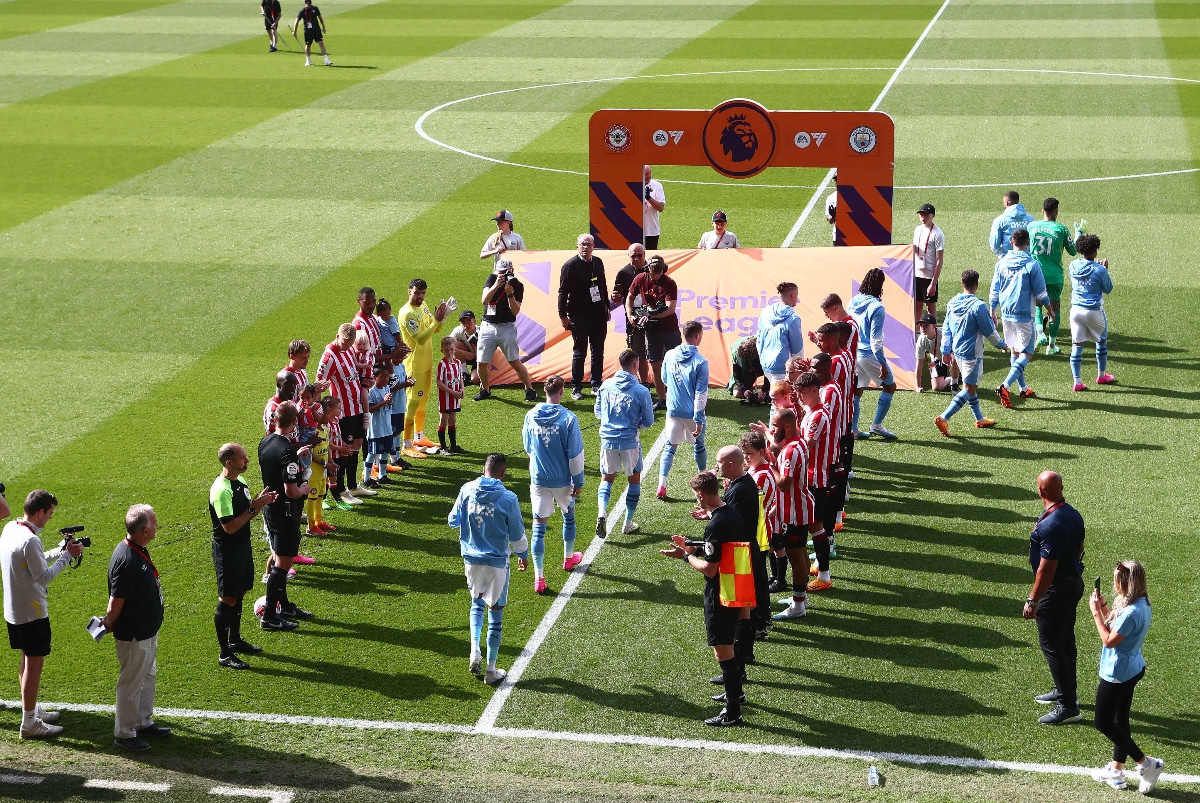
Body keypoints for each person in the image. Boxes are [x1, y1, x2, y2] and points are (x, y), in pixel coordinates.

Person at [660, 471, 751, 727]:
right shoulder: (730, 512)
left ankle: (733, 711)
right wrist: (692, 545)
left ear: (701, 494)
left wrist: (686, 556)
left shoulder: (715, 524)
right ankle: (737, 693)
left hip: (719, 591)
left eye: (695, 496)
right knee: (727, 645)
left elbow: (710, 568)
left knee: (722, 650)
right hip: (733, 585)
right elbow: (721, 548)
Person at [1, 490, 80, 740]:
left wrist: (58, 550)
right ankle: (29, 724)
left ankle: (32, 710)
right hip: (32, 613)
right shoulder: (31, 540)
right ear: (40, 512)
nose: (51, 519)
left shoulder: (11, 529)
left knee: (26, 661)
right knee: (33, 667)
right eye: (50, 514)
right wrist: (68, 555)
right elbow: (44, 576)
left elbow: (30, 564)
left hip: (14, 611)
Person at [448, 453, 529, 686]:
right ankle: (491, 671)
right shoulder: (508, 497)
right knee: (496, 614)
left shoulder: (466, 489)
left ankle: (475, 651)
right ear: (503, 473)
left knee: (476, 603)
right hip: (497, 563)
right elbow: (517, 534)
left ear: (483, 469)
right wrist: (523, 556)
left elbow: (453, 519)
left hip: (471, 559)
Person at [1088, 561, 1164, 793]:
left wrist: (1095, 614)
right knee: (1121, 719)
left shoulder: (1130, 612)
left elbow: (1109, 640)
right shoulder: (1142, 603)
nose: (1114, 585)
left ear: (1125, 584)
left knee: (1102, 721)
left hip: (1118, 673)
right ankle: (1116, 770)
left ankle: (1147, 764)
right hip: (1133, 668)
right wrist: (1104, 609)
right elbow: (1120, 627)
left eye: (1117, 581)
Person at [100, 504, 169, 752]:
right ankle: (125, 733)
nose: (157, 524)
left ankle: (142, 720)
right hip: (134, 635)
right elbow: (115, 601)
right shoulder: (127, 559)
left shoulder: (137, 549)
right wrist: (108, 622)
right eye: (154, 521)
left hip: (147, 630)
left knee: (147, 675)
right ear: (144, 530)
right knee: (131, 682)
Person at [1024, 470, 1086, 726]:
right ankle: (1065, 690)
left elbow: (1046, 568)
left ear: (1040, 491)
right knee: (1065, 641)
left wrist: (1033, 600)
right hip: (1072, 584)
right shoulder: (1071, 512)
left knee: (1053, 646)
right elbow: (1080, 546)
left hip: (1057, 590)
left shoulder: (1051, 524)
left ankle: (1068, 705)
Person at [209, 443, 276, 671]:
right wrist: (252, 509)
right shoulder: (221, 490)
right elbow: (228, 527)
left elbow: (246, 510)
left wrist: (260, 503)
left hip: (242, 547)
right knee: (227, 598)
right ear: (230, 463)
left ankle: (235, 640)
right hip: (227, 551)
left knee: (241, 591)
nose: (247, 461)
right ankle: (224, 652)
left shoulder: (241, 482)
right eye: (243, 458)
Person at [699, 446, 769, 661]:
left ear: (730, 464)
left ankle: (741, 656)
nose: (717, 466)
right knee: (744, 607)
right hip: (747, 550)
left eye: (719, 462)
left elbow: (731, 523)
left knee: (740, 608)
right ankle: (745, 653)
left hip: (741, 554)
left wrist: (713, 518)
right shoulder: (744, 483)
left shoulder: (739, 489)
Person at [522, 375, 586, 594]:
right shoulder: (568, 419)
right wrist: (579, 481)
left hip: (538, 479)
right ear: (562, 391)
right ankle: (568, 559)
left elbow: (528, 447)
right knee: (568, 517)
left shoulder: (531, 416)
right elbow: (575, 455)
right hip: (562, 481)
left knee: (538, 528)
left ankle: (539, 578)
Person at [258, 401, 313, 631]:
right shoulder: (287, 450)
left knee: (282, 560)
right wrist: (304, 490)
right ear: (294, 422)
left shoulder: (266, 441)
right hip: (285, 512)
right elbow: (291, 490)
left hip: (272, 509)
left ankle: (285, 605)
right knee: (282, 564)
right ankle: (270, 616)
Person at [935, 271, 1008, 436]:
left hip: (957, 352)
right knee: (969, 388)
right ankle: (943, 417)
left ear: (962, 283)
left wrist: (946, 351)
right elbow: (989, 331)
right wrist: (1002, 345)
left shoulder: (952, 302)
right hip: (972, 354)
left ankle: (980, 419)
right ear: (977, 284)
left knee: (971, 386)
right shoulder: (979, 306)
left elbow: (946, 328)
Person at [769, 408, 825, 620]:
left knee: (796, 557)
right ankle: (800, 599)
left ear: (787, 426)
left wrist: (772, 465)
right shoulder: (799, 442)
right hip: (798, 506)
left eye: (775, 426)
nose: (773, 430)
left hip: (794, 510)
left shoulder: (791, 451)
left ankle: (799, 604)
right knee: (800, 552)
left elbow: (783, 484)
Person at [594, 349, 654, 538]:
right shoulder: (641, 391)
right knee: (634, 480)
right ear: (635, 365)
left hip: (607, 440)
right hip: (630, 442)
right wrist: (636, 428)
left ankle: (602, 512)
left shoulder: (605, 385)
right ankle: (627, 523)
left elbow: (598, 412)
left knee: (607, 479)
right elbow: (649, 421)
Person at [990, 228, 1053, 407]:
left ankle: (1023, 388)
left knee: (1015, 351)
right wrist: (1050, 309)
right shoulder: (1032, 265)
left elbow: (994, 289)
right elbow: (1041, 293)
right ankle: (1005, 385)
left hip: (1006, 313)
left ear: (1011, 243)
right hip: (1025, 315)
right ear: (1028, 244)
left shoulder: (1001, 263)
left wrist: (993, 309)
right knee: (1027, 353)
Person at [316, 323, 368, 504]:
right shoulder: (328, 357)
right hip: (342, 412)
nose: (347, 347)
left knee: (357, 444)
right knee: (343, 450)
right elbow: (319, 385)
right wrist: (321, 416)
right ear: (338, 336)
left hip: (357, 408)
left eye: (350, 343)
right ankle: (341, 490)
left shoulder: (349, 350)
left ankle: (353, 485)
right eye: (345, 343)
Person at [656, 320, 708, 500]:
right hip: (691, 413)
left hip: (673, 410)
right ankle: (703, 480)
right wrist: (699, 418)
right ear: (698, 336)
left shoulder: (670, 355)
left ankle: (661, 485)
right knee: (699, 445)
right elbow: (701, 394)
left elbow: (664, 378)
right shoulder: (701, 362)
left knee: (669, 447)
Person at [474, 260, 538, 403]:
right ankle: (485, 389)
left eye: (507, 272)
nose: (504, 275)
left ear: (512, 270)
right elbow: (484, 300)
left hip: (507, 326)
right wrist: (497, 284)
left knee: (514, 361)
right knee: (482, 362)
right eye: (502, 272)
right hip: (488, 325)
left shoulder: (517, 285)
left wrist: (510, 294)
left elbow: (515, 311)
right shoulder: (491, 279)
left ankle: (529, 388)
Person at [795, 372, 836, 592]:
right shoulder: (811, 411)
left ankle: (824, 575)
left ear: (814, 390)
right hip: (809, 477)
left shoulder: (819, 415)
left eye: (802, 392)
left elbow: (806, 446)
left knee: (816, 527)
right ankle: (818, 570)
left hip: (815, 479)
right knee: (812, 526)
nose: (799, 396)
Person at [399, 278, 450, 451]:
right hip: (414, 366)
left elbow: (434, 330)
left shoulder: (423, 305)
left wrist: (441, 319)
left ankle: (419, 437)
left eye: (423, 293)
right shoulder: (407, 313)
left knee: (423, 401)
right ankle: (406, 444)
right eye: (417, 293)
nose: (420, 296)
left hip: (426, 362)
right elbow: (420, 339)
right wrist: (436, 321)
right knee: (412, 403)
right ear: (409, 291)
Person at [558, 234, 610, 400]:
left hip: (597, 314)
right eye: (582, 244)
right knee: (580, 351)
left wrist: (606, 307)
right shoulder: (570, 265)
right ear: (577, 246)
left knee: (598, 350)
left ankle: (596, 383)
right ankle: (576, 386)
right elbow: (562, 292)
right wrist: (563, 316)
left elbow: (603, 286)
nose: (586, 247)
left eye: (589, 244)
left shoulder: (598, 262)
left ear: (594, 246)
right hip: (578, 315)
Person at [848, 268, 897, 439]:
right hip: (868, 353)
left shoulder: (852, 301)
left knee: (858, 389)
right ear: (880, 285)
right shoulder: (877, 307)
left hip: (854, 353)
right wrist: (882, 363)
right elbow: (875, 341)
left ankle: (853, 429)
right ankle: (876, 425)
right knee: (890, 386)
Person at [625, 255, 680, 407]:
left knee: (675, 363)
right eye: (652, 273)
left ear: (663, 270)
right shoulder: (641, 278)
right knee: (655, 363)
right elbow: (629, 298)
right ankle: (662, 398)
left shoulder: (669, 283)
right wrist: (630, 314)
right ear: (647, 269)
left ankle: (675, 395)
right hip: (651, 330)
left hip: (669, 328)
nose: (655, 275)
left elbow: (670, 309)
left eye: (658, 273)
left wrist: (651, 315)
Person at [1028, 198, 1078, 354]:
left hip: (1036, 274)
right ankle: (1051, 346)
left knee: (1037, 304)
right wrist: (1079, 235)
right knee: (1055, 307)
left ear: (1043, 211)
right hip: (1055, 276)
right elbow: (1073, 251)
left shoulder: (1031, 226)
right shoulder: (1061, 229)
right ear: (1056, 211)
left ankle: (1040, 333)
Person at [1067, 234, 1116, 392]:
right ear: (1094, 251)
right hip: (1093, 311)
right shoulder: (1100, 270)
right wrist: (1105, 270)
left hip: (1075, 311)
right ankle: (1101, 375)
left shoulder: (1072, 265)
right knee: (1101, 342)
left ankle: (1077, 381)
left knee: (1077, 345)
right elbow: (1108, 289)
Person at [611, 243, 651, 385]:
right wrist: (614, 298)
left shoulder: (653, 270)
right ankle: (643, 383)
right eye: (633, 256)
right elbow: (617, 297)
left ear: (644, 254)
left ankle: (663, 384)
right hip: (633, 319)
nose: (636, 259)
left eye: (639, 255)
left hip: (654, 317)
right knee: (638, 353)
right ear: (628, 256)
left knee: (657, 353)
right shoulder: (623, 273)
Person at [756, 282, 805, 389]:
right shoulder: (793, 319)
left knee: (777, 397)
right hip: (784, 368)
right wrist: (799, 368)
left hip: (766, 364)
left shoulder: (765, 312)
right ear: (793, 296)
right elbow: (797, 348)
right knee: (784, 401)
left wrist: (762, 359)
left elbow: (758, 340)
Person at [363, 364, 395, 485]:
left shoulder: (387, 389)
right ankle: (366, 478)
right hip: (375, 429)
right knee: (372, 453)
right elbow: (370, 409)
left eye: (387, 376)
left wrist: (389, 402)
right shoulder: (371, 391)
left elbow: (388, 406)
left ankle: (382, 475)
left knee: (385, 452)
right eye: (382, 376)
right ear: (375, 377)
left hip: (386, 427)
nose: (386, 378)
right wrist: (384, 402)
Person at [913, 203, 945, 323]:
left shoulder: (938, 234)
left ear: (932, 216)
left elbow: (939, 261)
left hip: (929, 276)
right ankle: (916, 333)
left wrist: (933, 283)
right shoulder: (917, 230)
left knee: (930, 306)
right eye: (921, 214)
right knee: (917, 305)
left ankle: (933, 333)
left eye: (926, 215)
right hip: (917, 274)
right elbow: (915, 250)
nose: (923, 217)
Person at [435, 336, 465, 455]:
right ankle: (443, 447)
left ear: (455, 349)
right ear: (442, 350)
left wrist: (462, 389)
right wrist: (453, 392)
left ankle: (453, 446)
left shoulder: (457, 362)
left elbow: (460, 378)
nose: (449, 352)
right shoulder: (442, 364)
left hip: (455, 397)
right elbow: (439, 382)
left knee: (453, 420)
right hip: (445, 398)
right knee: (444, 420)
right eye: (447, 350)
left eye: (451, 349)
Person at [915, 313, 953, 393]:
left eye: (926, 326)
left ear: (934, 326)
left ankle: (957, 377)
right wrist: (918, 386)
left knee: (954, 358)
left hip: (951, 356)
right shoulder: (921, 340)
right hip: (937, 359)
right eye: (921, 326)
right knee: (937, 387)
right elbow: (919, 364)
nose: (923, 328)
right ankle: (951, 378)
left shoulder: (944, 334)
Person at [989, 190, 1033, 257]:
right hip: (1027, 258)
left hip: (1007, 259)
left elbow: (994, 244)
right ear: (1018, 202)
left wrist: (1001, 254)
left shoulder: (1000, 220)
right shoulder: (1030, 219)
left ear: (1006, 203)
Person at [727, 336, 765, 405]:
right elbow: (737, 375)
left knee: (775, 392)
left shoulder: (766, 349)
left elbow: (770, 373)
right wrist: (744, 390)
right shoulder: (737, 353)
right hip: (746, 368)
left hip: (762, 361)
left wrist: (764, 391)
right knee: (737, 393)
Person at [291, 0, 330, 66]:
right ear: (305, 3)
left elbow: (320, 18)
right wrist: (295, 31)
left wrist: (323, 27)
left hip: (316, 29)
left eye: (309, 4)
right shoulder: (302, 11)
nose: (308, 5)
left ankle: (326, 60)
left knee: (321, 43)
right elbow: (297, 20)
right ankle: (308, 60)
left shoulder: (315, 8)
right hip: (308, 31)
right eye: (307, 4)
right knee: (308, 45)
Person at [263, 369, 298, 434]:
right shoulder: (273, 409)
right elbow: (274, 440)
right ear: (279, 386)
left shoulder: (290, 402)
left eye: (294, 384)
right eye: (288, 384)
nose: (293, 388)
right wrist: (306, 443)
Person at [451, 310, 480, 385]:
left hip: (482, 360)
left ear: (475, 321)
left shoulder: (482, 332)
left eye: (469, 321)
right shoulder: (458, 331)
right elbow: (446, 346)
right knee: (456, 344)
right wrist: (465, 353)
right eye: (463, 322)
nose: (466, 325)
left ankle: (473, 373)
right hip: (469, 356)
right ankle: (464, 373)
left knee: (475, 379)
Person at [642, 165, 666, 249]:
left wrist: (648, 198)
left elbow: (661, 208)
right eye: (645, 174)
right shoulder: (633, 185)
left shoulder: (657, 186)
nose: (648, 176)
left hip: (652, 231)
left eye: (649, 173)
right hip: (635, 230)